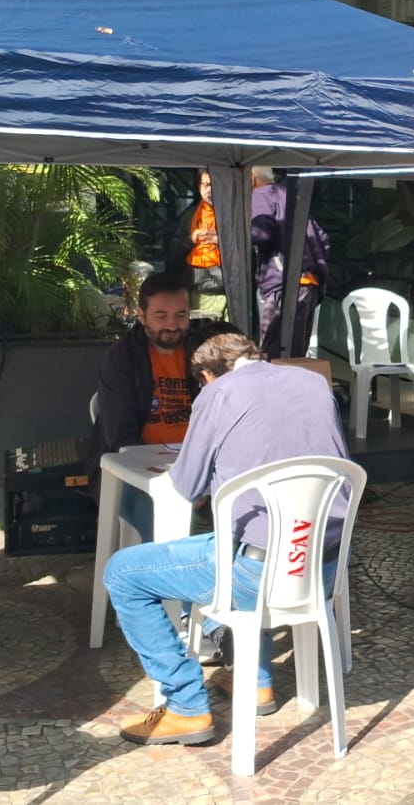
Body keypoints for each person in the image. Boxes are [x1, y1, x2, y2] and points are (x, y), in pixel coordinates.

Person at [105, 332, 350, 745]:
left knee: (124, 573)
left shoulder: (217, 393)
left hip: (257, 574)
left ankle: (186, 707)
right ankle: (256, 683)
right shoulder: (313, 382)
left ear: (206, 374)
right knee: (252, 534)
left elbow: (186, 486)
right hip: (320, 568)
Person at [85, 271, 197, 542]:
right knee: (161, 518)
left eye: (181, 315)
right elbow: (123, 439)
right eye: (161, 316)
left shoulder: (202, 350)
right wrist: (175, 481)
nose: (172, 325)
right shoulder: (121, 358)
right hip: (133, 468)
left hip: (196, 464)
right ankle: (166, 580)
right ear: (141, 315)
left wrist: (198, 474)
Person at [250, 166, 329, 358]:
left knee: (273, 352)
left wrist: (234, 235)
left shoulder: (260, 195)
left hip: (284, 285)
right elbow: (323, 238)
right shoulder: (289, 196)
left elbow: (261, 231)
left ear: (252, 179)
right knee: (296, 355)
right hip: (309, 284)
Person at [186, 169, 226, 319]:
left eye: (214, 185)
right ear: (199, 187)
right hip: (203, 291)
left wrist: (220, 240)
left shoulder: (234, 212)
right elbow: (176, 247)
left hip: (231, 288)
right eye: (206, 185)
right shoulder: (192, 214)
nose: (210, 190)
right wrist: (193, 238)